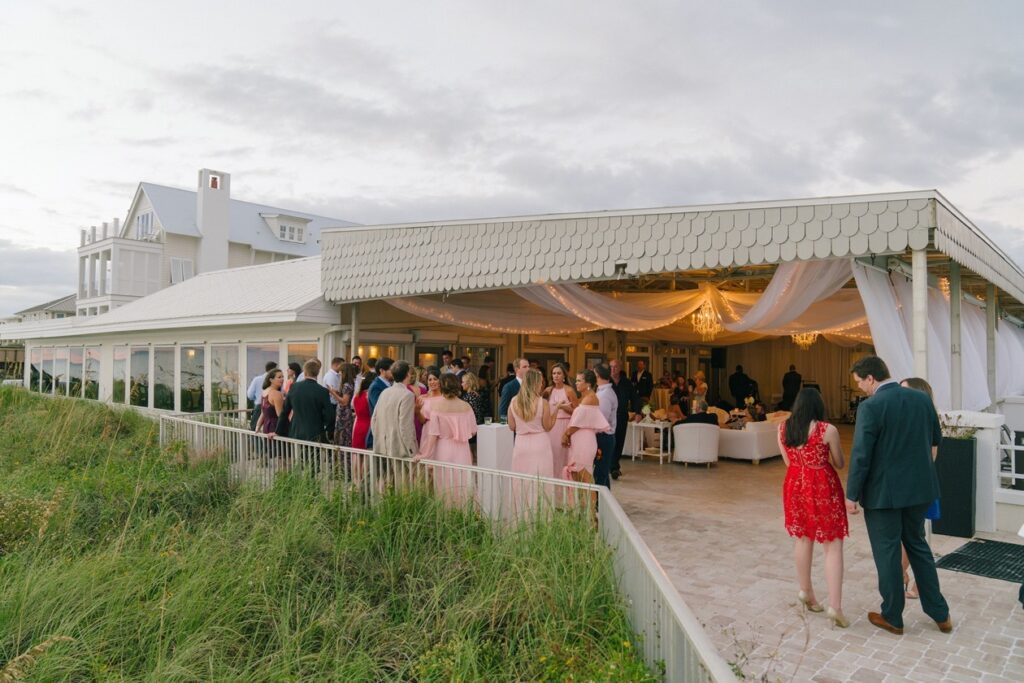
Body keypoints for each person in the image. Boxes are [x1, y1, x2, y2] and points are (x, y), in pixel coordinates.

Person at [847, 356, 951, 636]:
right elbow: (935, 440)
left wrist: (851, 494)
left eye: (860, 383)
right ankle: (941, 614)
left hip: (884, 495)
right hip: (920, 490)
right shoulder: (921, 399)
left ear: (871, 378)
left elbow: (861, 455)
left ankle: (892, 616)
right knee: (918, 547)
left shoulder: (871, 406)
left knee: (888, 552)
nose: (860, 389)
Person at [779, 388, 850, 628]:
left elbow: (788, 462)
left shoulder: (783, 428)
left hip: (794, 484)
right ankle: (835, 607)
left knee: (803, 537)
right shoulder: (827, 430)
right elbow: (840, 463)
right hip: (822, 486)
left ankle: (805, 591)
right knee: (832, 544)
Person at [898, 376, 940, 600]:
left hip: (919, 488)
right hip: (909, 486)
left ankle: (915, 581)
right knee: (909, 536)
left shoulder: (927, 420)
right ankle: (903, 575)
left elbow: (931, 455)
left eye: (904, 391)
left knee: (916, 537)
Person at [414, 373, 478, 504]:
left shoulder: (437, 407)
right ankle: (464, 515)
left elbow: (433, 434)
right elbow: (473, 431)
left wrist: (425, 453)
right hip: (462, 449)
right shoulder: (466, 406)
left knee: (444, 485)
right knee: (463, 483)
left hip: (443, 448)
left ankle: (446, 517)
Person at [507, 369, 557, 512]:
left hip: (521, 445)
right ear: (536, 383)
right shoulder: (543, 403)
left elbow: (512, 426)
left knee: (521, 481)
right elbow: (548, 427)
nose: (542, 384)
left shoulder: (513, 401)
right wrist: (557, 411)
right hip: (540, 444)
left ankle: (522, 513)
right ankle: (542, 515)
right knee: (542, 481)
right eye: (540, 382)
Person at [561, 370, 609, 486]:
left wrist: (566, 434)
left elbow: (578, 423)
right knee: (578, 476)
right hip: (580, 440)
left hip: (584, 441)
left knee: (586, 478)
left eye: (579, 380)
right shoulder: (586, 397)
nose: (576, 383)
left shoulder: (590, 399)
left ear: (588, 384)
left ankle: (590, 504)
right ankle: (582, 504)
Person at [370, 360, 418, 460]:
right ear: (408, 374)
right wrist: (412, 450)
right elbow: (405, 425)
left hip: (383, 448)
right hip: (401, 450)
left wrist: (380, 439)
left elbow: (374, 419)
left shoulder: (385, 392)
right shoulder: (407, 395)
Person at [276, 359, 334, 442]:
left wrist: (278, 431)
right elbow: (330, 416)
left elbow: (285, 411)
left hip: (296, 432)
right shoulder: (323, 391)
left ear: (305, 372)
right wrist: (328, 433)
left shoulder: (294, 387)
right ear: (317, 373)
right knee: (313, 455)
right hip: (315, 434)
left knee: (296, 455)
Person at [609, 359, 641, 480]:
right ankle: (613, 467)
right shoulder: (605, 382)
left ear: (620, 368)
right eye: (611, 367)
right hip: (608, 417)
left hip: (622, 415)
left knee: (619, 441)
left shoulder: (627, 383)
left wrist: (638, 412)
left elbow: (635, 398)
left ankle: (614, 466)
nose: (613, 369)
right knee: (610, 440)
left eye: (615, 367)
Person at [545, 363, 577, 481]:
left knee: (564, 456)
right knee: (552, 456)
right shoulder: (548, 390)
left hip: (565, 425)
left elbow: (577, 411)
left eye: (558, 373)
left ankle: (565, 484)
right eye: (554, 373)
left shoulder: (569, 390)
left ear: (564, 375)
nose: (556, 376)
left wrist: (563, 407)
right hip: (552, 426)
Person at [593, 364, 618, 489]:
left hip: (604, 437)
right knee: (602, 472)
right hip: (603, 436)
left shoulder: (605, 394)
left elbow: (601, 420)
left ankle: (599, 504)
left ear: (597, 375)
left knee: (600, 473)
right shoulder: (601, 391)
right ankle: (604, 503)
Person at [365, 357, 394, 448]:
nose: (393, 372)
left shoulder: (390, 384)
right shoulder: (375, 386)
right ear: (382, 370)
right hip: (379, 432)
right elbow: (380, 408)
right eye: (391, 369)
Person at [247, 360, 278, 430]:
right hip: (273, 408)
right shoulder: (277, 381)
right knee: (270, 430)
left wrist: (256, 398)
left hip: (259, 406)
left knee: (255, 430)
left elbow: (249, 395)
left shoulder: (257, 379)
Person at [254, 368, 285, 435]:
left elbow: (263, 413)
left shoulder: (264, 392)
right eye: (279, 377)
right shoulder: (276, 394)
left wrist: (257, 427)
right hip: (275, 428)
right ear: (271, 380)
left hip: (266, 427)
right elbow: (280, 415)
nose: (282, 379)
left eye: (283, 377)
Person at [334, 363, 357, 448]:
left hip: (344, 414)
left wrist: (333, 393)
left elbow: (344, 402)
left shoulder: (347, 385)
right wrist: (337, 393)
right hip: (343, 413)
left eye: (340, 371)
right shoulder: (349, 384)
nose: (339, 373)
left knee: (343, 435)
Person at [351, 374, 374, 450]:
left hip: (358, 426)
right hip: (368, 426)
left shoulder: (357, 396)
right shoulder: (369, 396)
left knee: (357, 454)